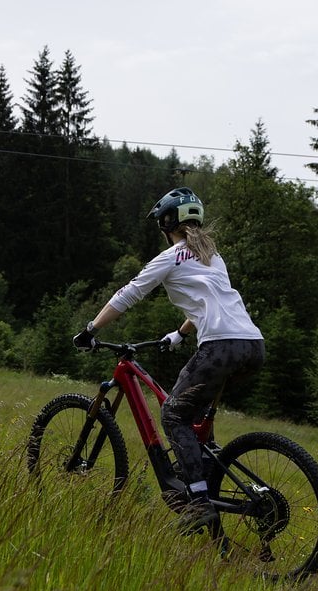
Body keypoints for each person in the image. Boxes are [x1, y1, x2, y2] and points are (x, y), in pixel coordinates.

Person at [72, 187, 265, 532]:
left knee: (173, 414)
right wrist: (179, 334)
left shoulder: (171, 257)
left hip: (220, 346)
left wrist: (91, 328)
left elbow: (128, 293)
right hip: (251, 345)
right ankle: (206, 475)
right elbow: (212, 300)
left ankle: (200, 504)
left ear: (166, 223)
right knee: (196, 419)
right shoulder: (212, 255)